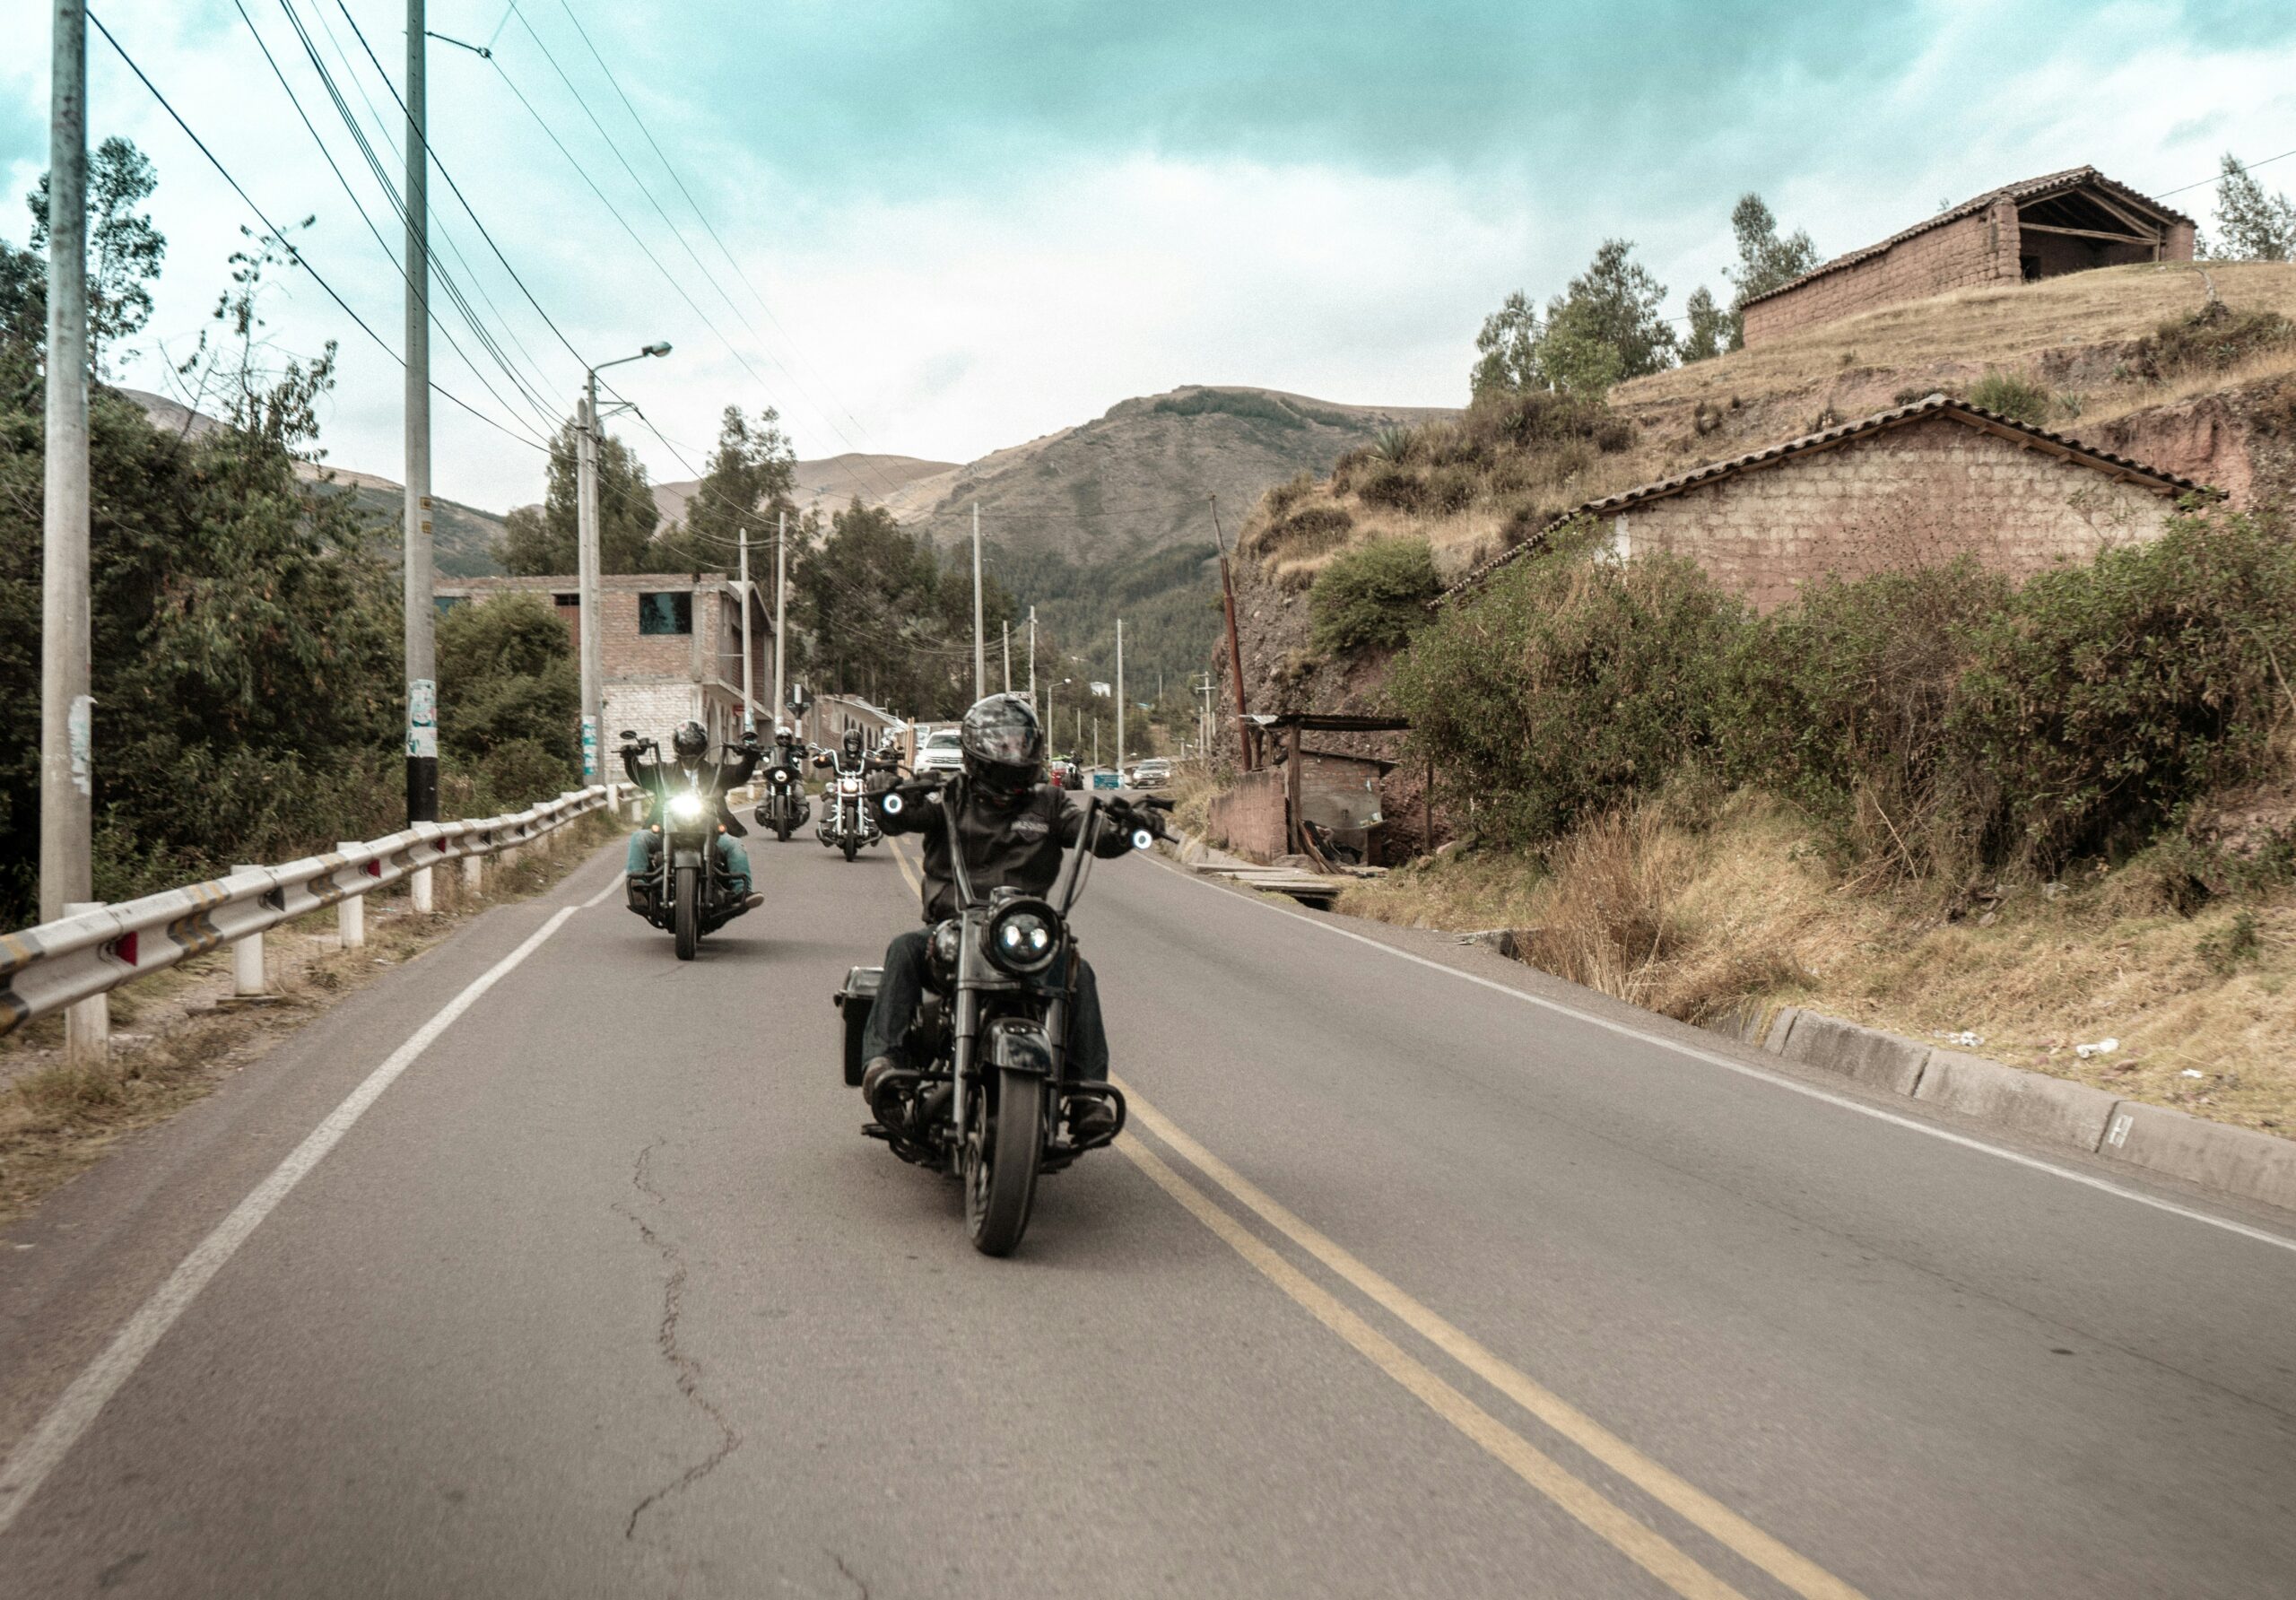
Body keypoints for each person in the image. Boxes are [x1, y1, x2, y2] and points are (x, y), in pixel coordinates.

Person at [859, 694, 1143, 1136]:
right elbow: (903, 816)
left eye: (1021, 742)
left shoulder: (1049, 803)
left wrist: (1126, 830)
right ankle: (883, 1063)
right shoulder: (949, 795)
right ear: (977, 749)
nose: (1014, 751)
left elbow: (1093, 835)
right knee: (904, 950)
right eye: (1003, 743)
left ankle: (1087, 1093)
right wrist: (885, 798)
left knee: (1076, 970)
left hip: (1025, 931)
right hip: (955, 928)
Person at [622, 719, 763, 914]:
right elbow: (640, 774)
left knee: (735, 845)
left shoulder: (716, 771)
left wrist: (750, 758)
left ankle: (742, 893)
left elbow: (739, 774)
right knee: (639, 838)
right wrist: (629, 758)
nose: (690, 748)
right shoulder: (664, 772)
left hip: (711, 828)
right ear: (677, 745)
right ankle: (638, 887)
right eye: (686, 743)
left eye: (695, 743)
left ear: (703, 745)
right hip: (666, 828)